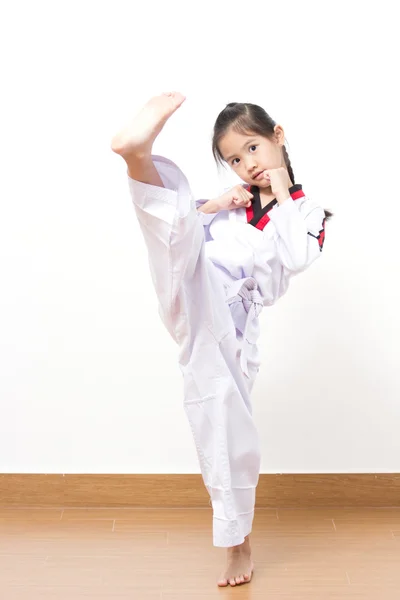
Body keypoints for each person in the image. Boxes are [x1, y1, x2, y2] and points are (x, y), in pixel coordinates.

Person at [110, 92, 332, 587]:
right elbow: (190, 237)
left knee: (221, 424)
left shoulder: (310, 213)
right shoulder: (230, 203)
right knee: (178, 234)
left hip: (232, 325)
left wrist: (282, 187)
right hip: (196, 286)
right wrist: (213, 204)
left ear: (278, 136)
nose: (245, 164)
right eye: (234, 158)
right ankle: (137, 155)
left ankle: (237, 543)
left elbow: (296, 257)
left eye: (252, 149)